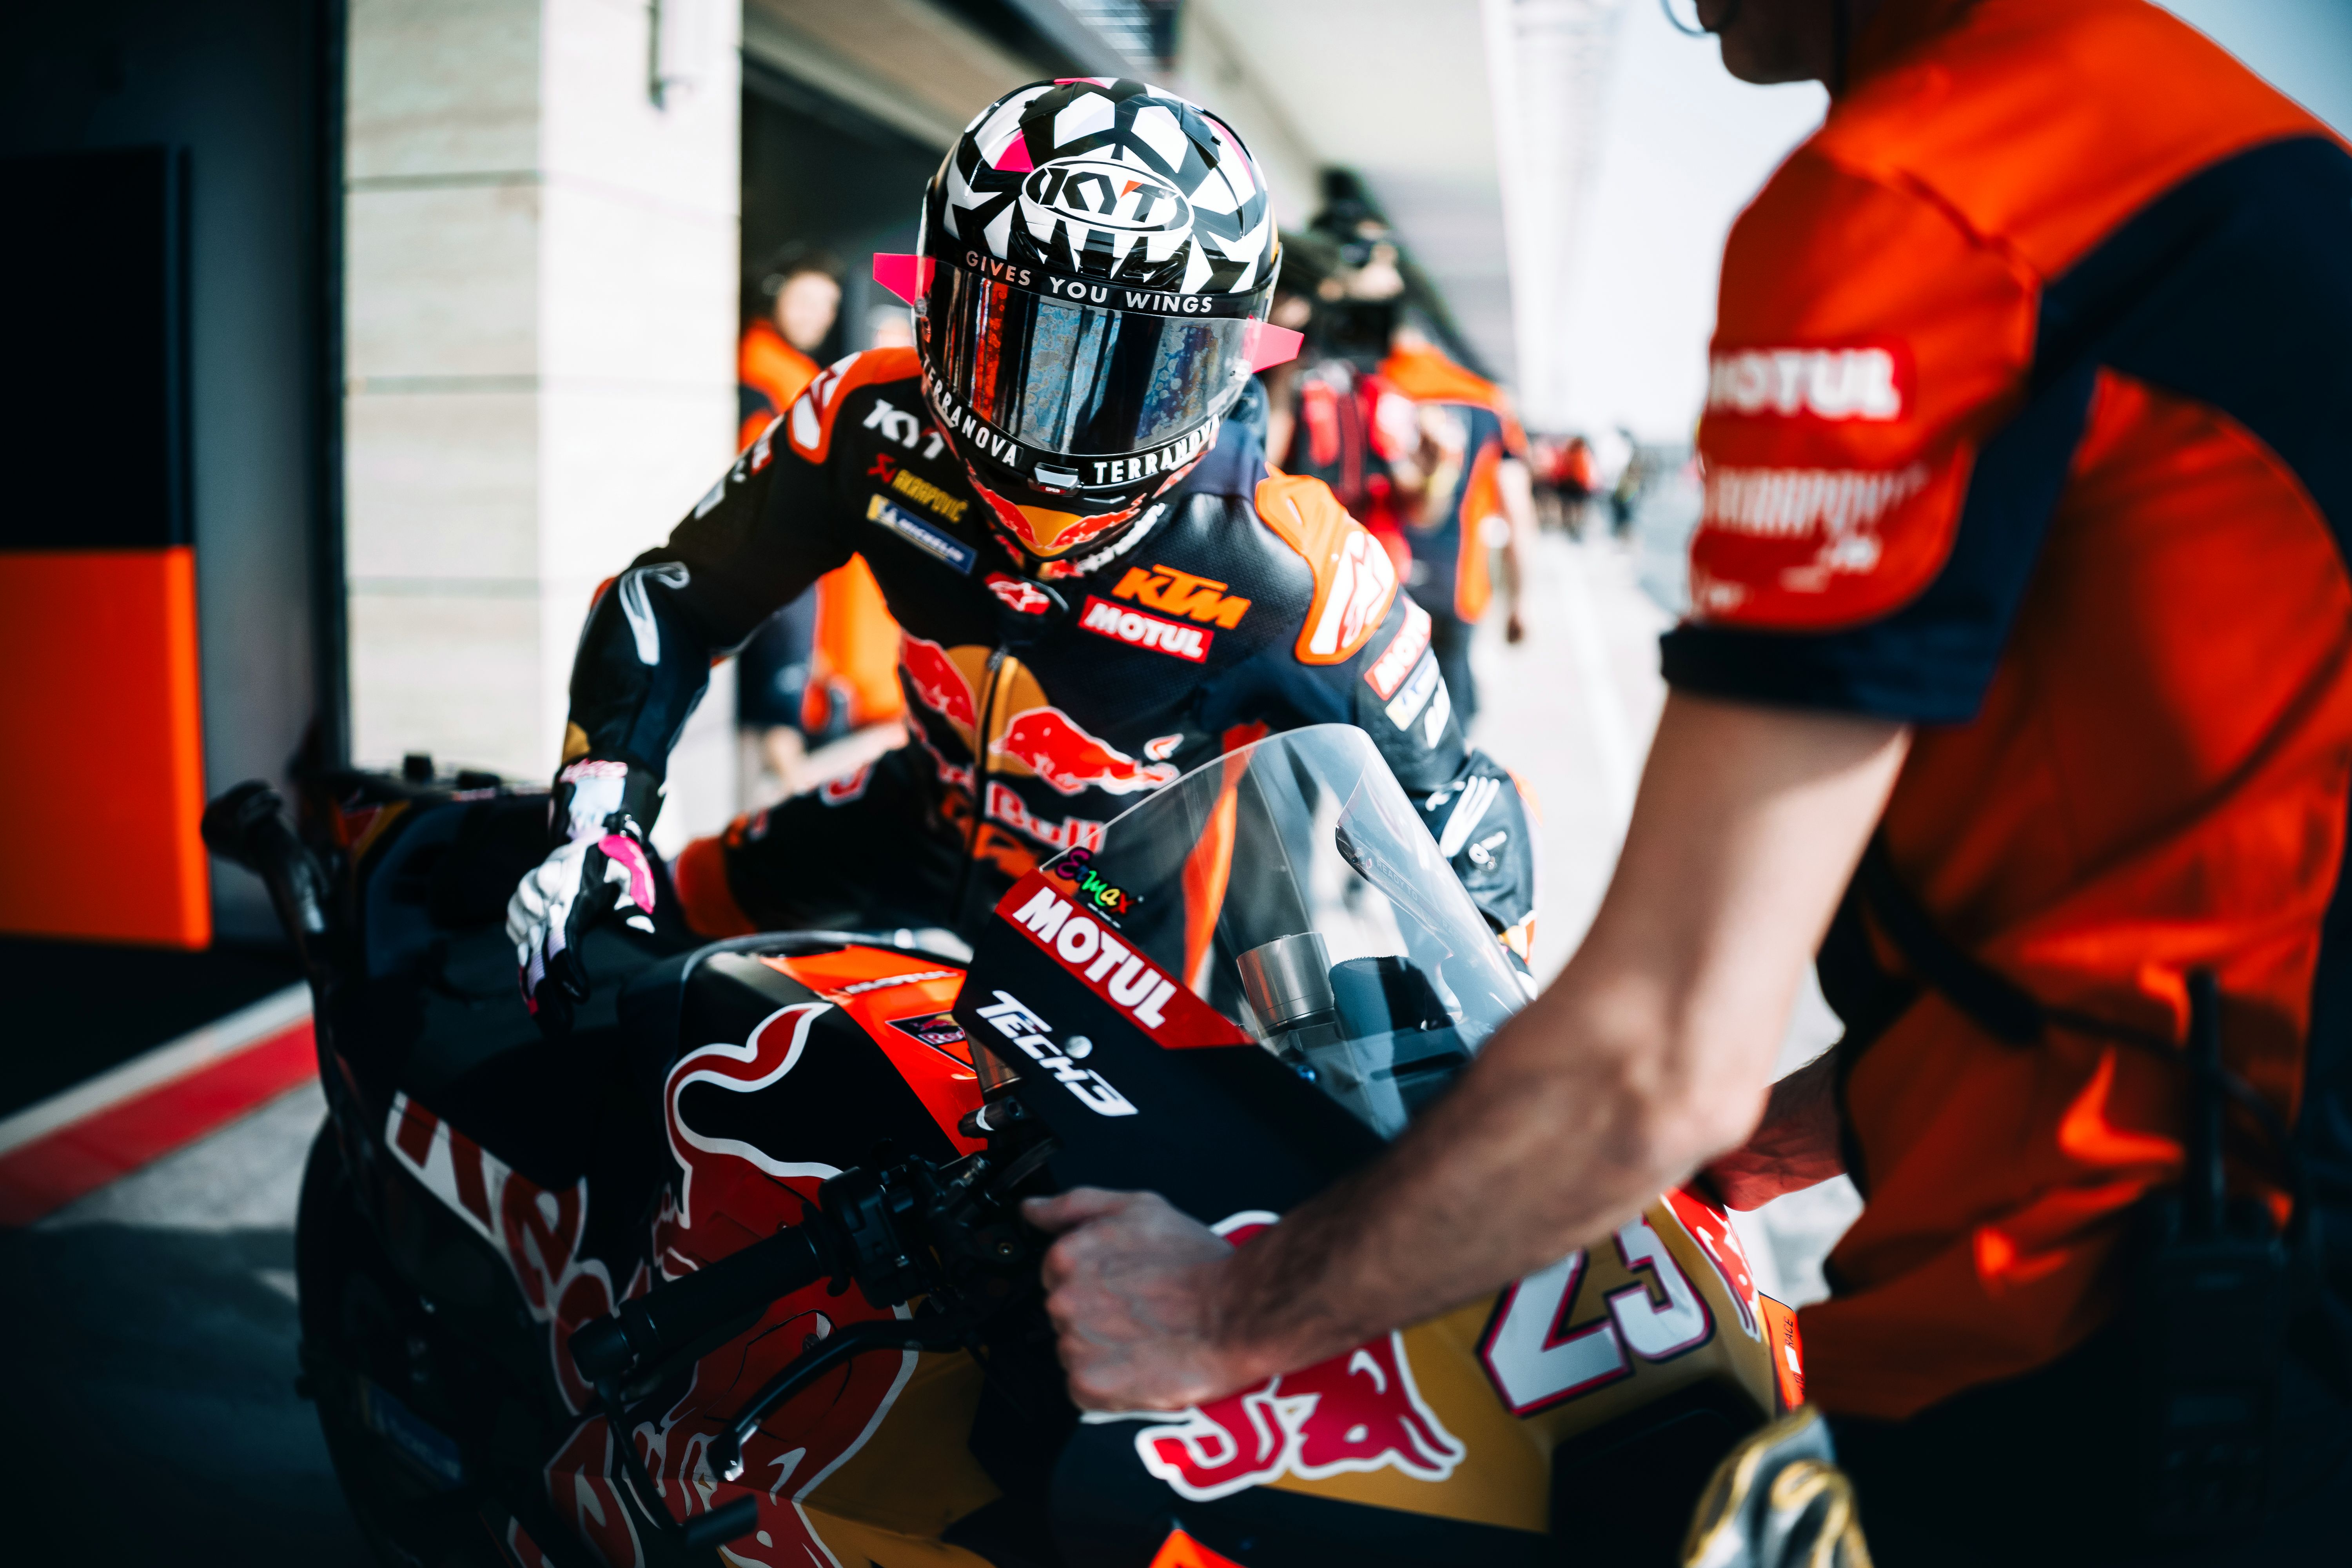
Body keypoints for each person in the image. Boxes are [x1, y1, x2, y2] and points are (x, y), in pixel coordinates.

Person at [1022, 2, 2352, 1562]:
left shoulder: (1930, 199)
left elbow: (1662, 1050)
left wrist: (1219, 1311)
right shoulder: (2261, 164)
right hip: (2268, 1304)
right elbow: (2180, 910)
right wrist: (1798, 1133)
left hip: (2095, 1357)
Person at [507, 78, 1539, 1029]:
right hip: (914, 813)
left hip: (1123, 911)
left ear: (1233, 361)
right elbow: (676, 599)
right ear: (933, 303)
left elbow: (1460, 809)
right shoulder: (864, 417)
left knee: (1121, 1160)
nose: (1071, 424)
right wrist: (601, 819)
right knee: (643, 925)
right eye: (1025, 349)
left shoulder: (1293, 562)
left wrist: (1482, 1033)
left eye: (1145, 372)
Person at [1379, 328, 1537, 726]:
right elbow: (1517, 509)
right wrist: (1520, 602)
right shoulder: (1487, 402)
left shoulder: (1378, 386)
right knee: (1448, 722)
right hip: (1458, 582)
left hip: (1378, 578)